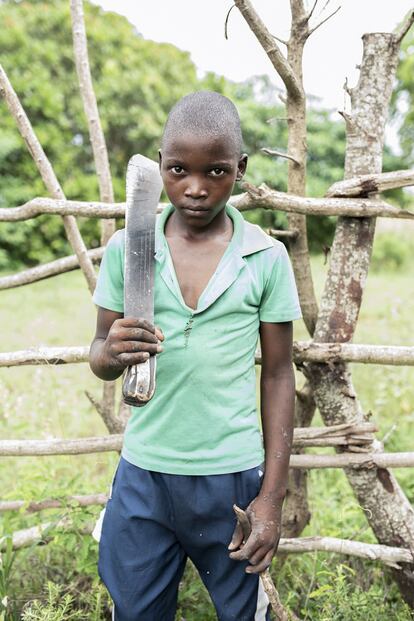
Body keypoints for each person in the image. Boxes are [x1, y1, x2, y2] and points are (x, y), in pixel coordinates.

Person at [89, 91, 302, 621]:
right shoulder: (130, 247)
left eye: (217, 172)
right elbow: (97, 353)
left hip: (230, 480)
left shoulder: (265, 258)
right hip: (145, 474)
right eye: (179, 169)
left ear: (241, 170)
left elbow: (278, 374)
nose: (196, 188)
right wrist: (111, 352)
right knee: (136, 611)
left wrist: (271, 498)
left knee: (243, 613)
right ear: (160, 164)